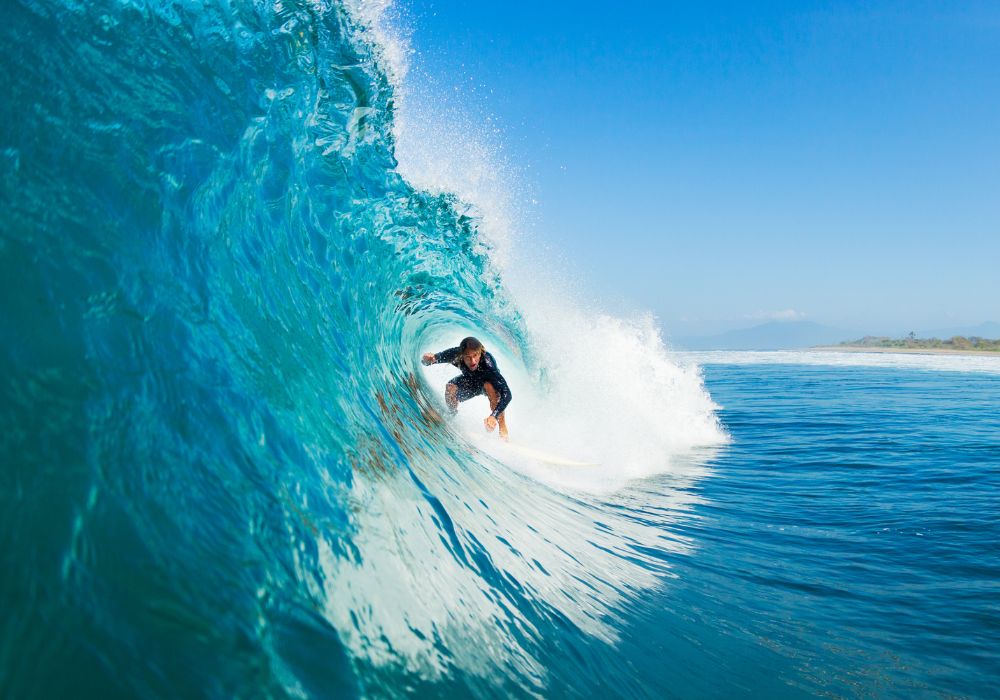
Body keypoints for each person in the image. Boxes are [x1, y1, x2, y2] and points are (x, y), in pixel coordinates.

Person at [422, 336, 511, 440]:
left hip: (487, 385)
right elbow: (428, 362)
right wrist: (427, 359)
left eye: (475, 355)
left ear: (480, 352)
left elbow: (507, 394)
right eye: (468, 357)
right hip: (470, 382)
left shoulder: (488, 366)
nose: (473, 361)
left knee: (490, 386)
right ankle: (452, 414)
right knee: (450, 387)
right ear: (462, 355)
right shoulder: (456, 355)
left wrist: (493, 415)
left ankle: (502, 427)